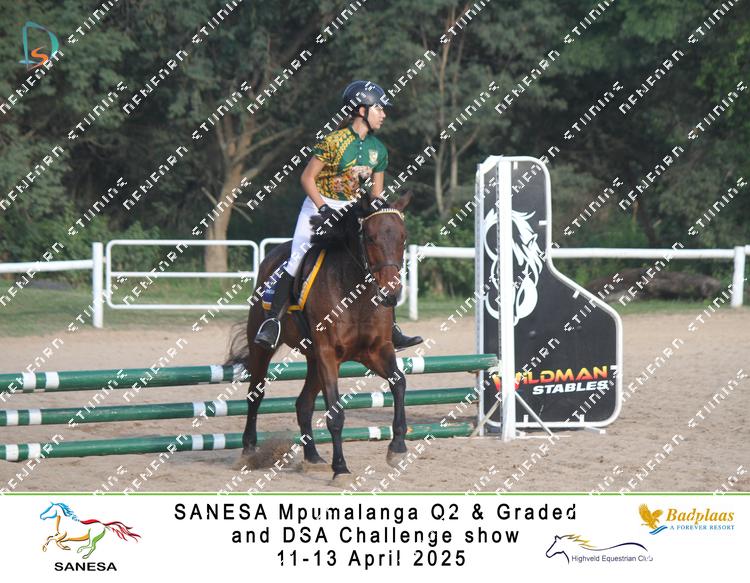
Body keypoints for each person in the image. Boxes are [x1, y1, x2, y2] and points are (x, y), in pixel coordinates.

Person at [254, 80, 423, 351]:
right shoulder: (333, 142)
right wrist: (323, 208)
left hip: (352, 210)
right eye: (379, 108)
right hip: (318, 206)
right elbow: (307, 178)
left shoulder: (379, 149)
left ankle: (391, 328)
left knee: (373, 261)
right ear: (361, 110)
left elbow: (376, 195)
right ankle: (272, 322)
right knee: (298, 257)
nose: (384, 114)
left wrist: (382, 213)